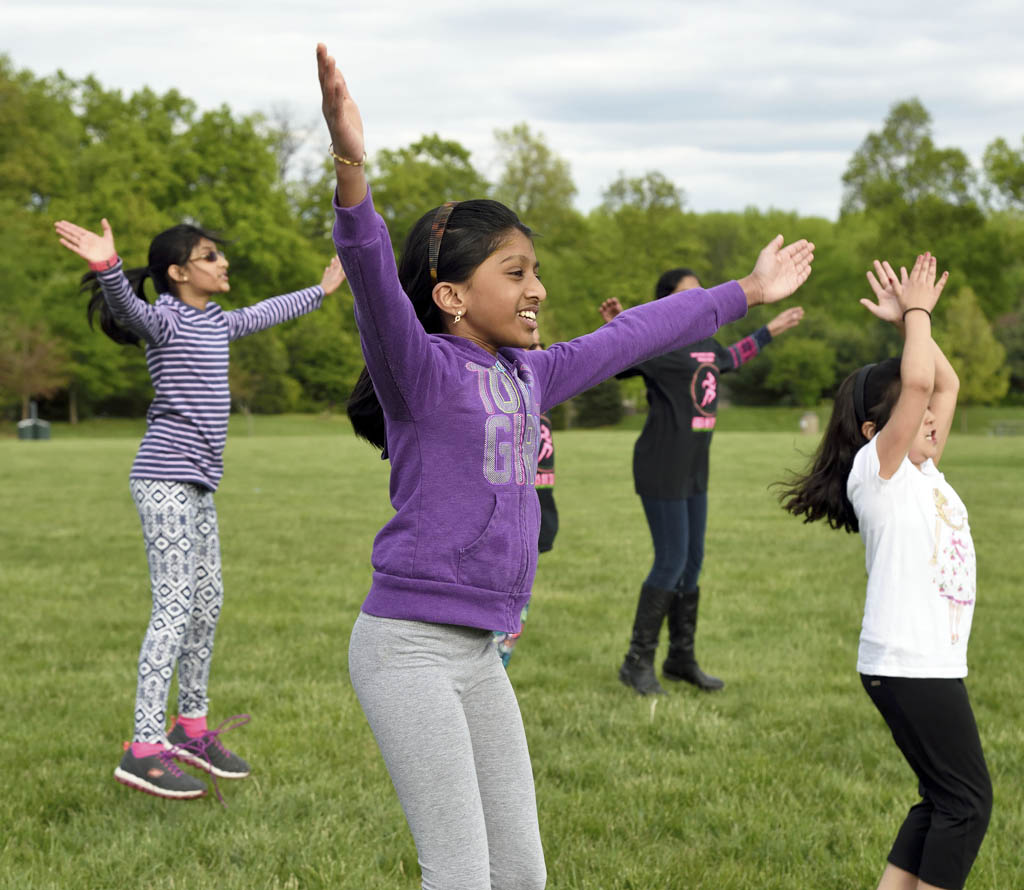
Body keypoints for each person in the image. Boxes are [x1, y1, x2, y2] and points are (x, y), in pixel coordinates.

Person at [318, 42, 813, 889]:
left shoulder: (531, 374)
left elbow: (634, 334)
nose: (537, 289)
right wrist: (352, 166)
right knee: (463, 876)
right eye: (515, 273)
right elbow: (370, 276)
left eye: (536, 271)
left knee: (522, 875)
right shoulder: (420, 370)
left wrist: (743, 294)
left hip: (479, 653)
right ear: (450, 297)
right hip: (408, 651)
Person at [53, 215, 345, 800]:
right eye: (211, 256)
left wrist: (322, 290)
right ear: (179, 273)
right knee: (174, 606)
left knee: (206, 604)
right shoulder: (164, 320)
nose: (223, 264)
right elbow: (130, 312)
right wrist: (108, 266)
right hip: (163, 478)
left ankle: (190, 729)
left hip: (199, 485)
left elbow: (269, 311)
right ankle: (142, 747)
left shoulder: (219, 322)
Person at [778, 254, 991, 890]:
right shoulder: (880, 470)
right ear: (876, 430)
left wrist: (911, 327)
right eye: (910, 413)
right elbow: (923, 388)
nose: (929, 420)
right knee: (967, 803)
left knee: (943, 799)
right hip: (909, 662)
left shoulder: (923, 469)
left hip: (921, 662)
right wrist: (919, 314)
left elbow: (941, 388)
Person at [599, 271, 803, 695]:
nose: (697, 299)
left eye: (700, 292)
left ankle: (680, 659)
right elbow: (618, 353)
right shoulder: (656, 340)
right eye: (685, 294)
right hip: (661, 466)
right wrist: (620, 323)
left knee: (692, 563)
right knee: (670, 561)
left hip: (695, 470)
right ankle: (636, 663)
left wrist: (770, 330)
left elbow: (731, 357)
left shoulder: (706, 345)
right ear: (666, 305)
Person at [492, 331, 558, 668]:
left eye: (539, 347)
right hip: (504, 534)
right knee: (492, 635)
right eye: (529, 349)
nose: (538, 355)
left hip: (534, 529)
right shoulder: (502, 401)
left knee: (512, 626)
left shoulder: (538, 396)